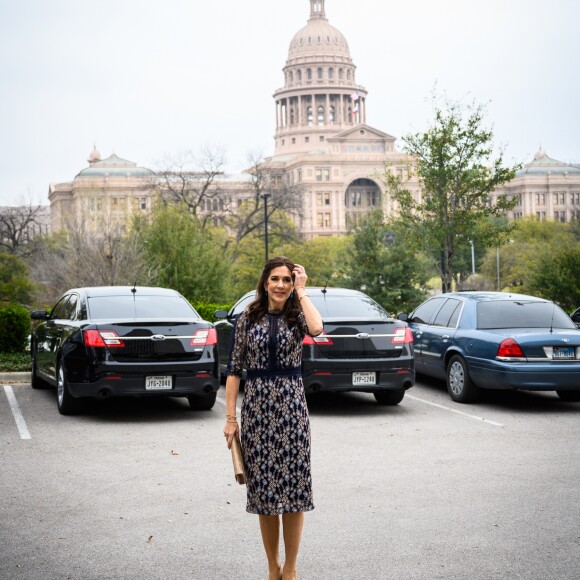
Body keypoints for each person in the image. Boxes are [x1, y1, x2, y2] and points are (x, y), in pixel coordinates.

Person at [223, 256, 323, 580]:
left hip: (292, 412)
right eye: (275, 279)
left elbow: (318, 328)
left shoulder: (297, 317)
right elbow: (234, 371)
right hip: (257, 414)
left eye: (287, 280)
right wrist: (230, 418)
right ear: (265, 282)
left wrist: (304, 291)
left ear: (293, 285)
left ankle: (291, 567)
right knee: (265, 495)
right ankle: (272, 566)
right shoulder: (247, 319)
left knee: (294, 493)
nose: (281, 285)